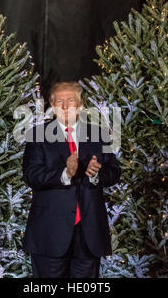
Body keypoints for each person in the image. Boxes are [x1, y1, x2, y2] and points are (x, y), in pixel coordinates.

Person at [21, 81, 121, 278]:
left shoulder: (100, 134)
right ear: (52, 106)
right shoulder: (37, 135)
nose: (65, 107)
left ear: (81, 106)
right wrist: (65, 174)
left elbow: (115, 172)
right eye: (59, 101)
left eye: (71, 101)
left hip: (88, 234)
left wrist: (96, 175)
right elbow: (31, 174)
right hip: (50, 233)